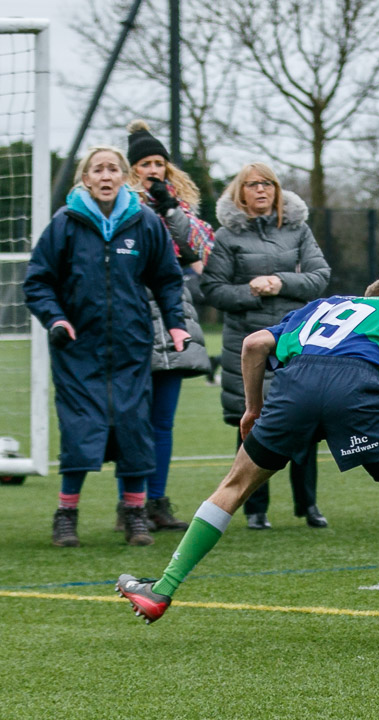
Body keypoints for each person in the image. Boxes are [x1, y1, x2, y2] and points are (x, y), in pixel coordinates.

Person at [116, 273, 379, 651]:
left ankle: (162, 591)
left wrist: (253, 410)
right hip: (358, 393)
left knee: (232, 489)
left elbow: (253, 344)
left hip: (294, 388)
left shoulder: (322, 306)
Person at [23, 145, 188, 547]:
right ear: (86, 179)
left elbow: (167, 278)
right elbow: (38, 281)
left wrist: (176, 325)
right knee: (81, 429)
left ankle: (135, 515)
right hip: (78, 349)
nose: (106, 176)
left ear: (123, 177)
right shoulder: (64, 223)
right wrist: (57, 319)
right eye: (98, 169)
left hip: (131, 347)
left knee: (134, 428)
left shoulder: (145, 222)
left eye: (113, 169)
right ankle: (66, 515)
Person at [202, 162, 331, 530]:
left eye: (268, 184)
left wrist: (280, 282)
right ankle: (254, 509)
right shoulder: (226, 237)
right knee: (251, 425)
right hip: (247, 346)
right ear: (239, 192)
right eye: (252, 184)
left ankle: (308, 505)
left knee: (305, 422)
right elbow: (212, 289)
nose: (261, 190)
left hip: (294, 342)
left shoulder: (298, 229)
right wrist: (249, 292)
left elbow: (320, 276)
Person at [121, 119, 215, 534]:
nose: (153, 169)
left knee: (163, 420)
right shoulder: (119, 205)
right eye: (145, 163)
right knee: (131, 419)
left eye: (159, 162)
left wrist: (170, 208)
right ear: (131, 169)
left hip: (173, 319)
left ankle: (157, 502)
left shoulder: (180, 206)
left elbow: (198, 248)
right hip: (130, 316)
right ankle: (131, 505)